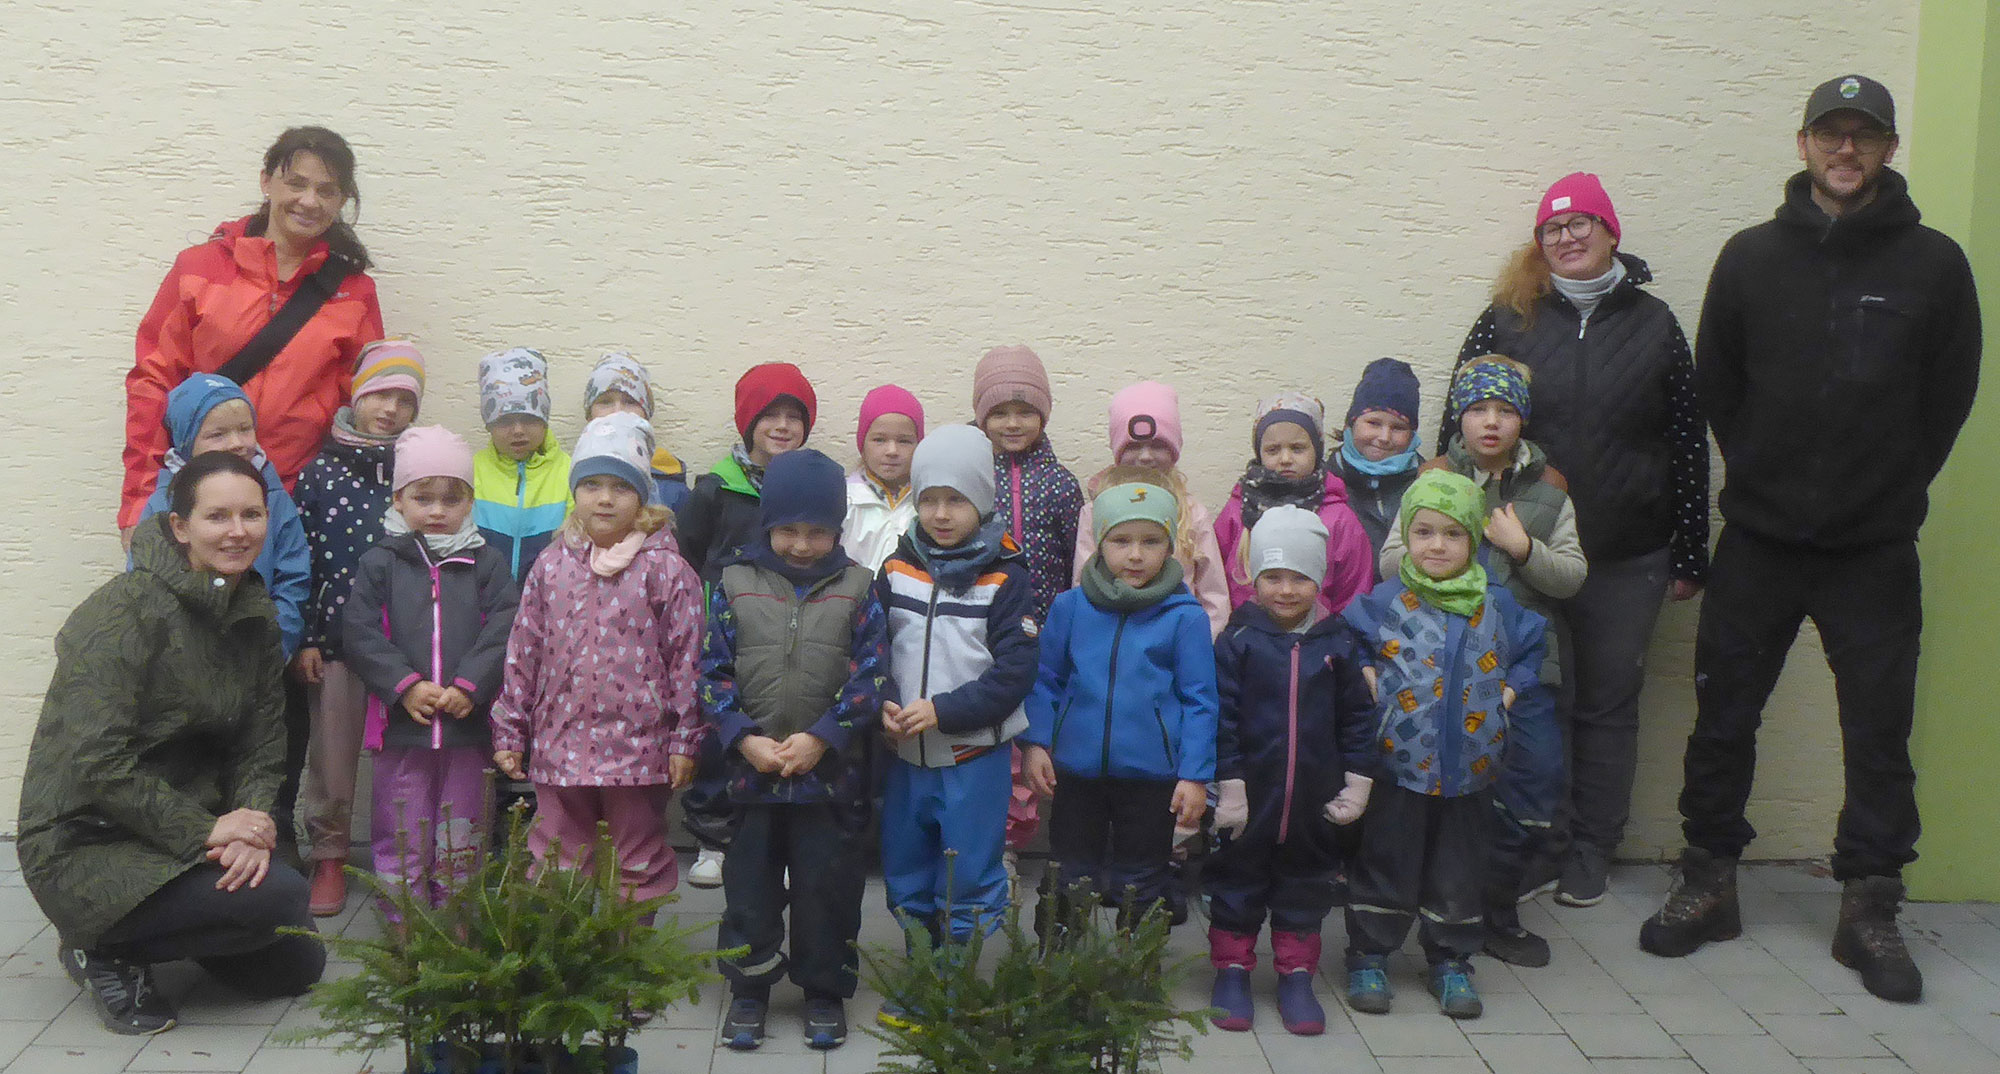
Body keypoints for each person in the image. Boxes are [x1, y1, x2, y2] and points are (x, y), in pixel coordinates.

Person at [1640, 75, 1982, 1004]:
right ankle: (1708, 882)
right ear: (1803, 146)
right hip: (1761, 539)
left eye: (1863, 137)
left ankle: (1868, 905)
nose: (1846, 151)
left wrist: (1893, 484)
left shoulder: (1936, 266)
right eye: (1830, 135)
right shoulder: (1750, 260)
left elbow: (1950, 396)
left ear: (1886, 149)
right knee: (1723, 718)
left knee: (1878, 733)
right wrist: (1761, 471)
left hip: (1874, 550)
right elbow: (1719, 386)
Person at [1445, 170, 1710, 910]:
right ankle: (1541, 844)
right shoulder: (1507, 317)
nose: (1566, 237)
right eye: (1552, 229)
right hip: (1522, 555)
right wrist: (1453, 534)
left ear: (1611, 233)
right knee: (1536, 700)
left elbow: (1688, 440)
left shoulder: (1655, 323)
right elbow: (1458, 429)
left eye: (1581, 223)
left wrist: (1690, 550)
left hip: (1629, 554)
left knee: (1608, 705)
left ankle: (1594, 846)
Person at [21, 452, 325, 1035]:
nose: (237, 531)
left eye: (251, 514)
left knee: (293, 966)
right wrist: (210, 830)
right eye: (217, 517)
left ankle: (160, 926)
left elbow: (263, 740)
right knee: (279, 898)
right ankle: (100, 946)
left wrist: (254, 822)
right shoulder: (121, 614)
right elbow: (95, 764)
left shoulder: (253, 613)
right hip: (87, 838)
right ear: (180, 526)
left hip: (193, 829)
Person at [1383, 356, 1583, 967]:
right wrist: (1448, 545)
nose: (1490, 422)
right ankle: (1438, 912)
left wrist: (1523, 550)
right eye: (1477, 410)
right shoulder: (1435, 474)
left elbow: (1572, 576)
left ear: (1521, 418)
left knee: (1531, 789)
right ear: (1459, 418)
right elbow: (1390, 560)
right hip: (1438, 666)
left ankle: (1500, 907)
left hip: (1523, 667)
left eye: (1504, 410)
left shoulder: (1548, 487)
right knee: (1448, 796)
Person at [1341, 470, 1549, 1021]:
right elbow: (1345, 639)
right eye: (1425, 532)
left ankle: (1451, 959)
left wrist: (1510, 690)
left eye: (1453, 534)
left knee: (1458, 865)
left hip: (1472, 768)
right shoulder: (1385, 601)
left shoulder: (1498, 604)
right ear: (1406, 536)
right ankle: (1368, 954)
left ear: (1476, 539)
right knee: (1386, 857)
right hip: (1396, 766)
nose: (1437, 545)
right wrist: (1364, 673)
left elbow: (1533, 650)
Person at [700, 449, 889, 1052]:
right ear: (767, 526)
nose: (802, 545)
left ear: (838, 530)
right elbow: (710, 673)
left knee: (826, 888)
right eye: (788, 530)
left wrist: (823, 737)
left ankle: (823, 988)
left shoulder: (859, 588)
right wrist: (744, 738)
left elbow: (873, 676)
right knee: (749, 889)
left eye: (817, 532)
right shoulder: (733, 583)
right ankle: (750, 989)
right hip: (752, 775)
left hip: (829, 777)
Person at [121, 126, 383, 539]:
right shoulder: (198, 269)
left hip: (296, 508)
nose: (308, 201)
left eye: (326, 190)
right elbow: (153, 387)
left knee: (285, 605)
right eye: (295, 183)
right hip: (198, 506)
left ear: (342, 200)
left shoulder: (354, 292)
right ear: (266, 182)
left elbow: (362, 409)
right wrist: (140, 502)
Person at [491, 415, 705, 906]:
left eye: (620, 487)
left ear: (642, 497)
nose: (604, 499)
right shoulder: (551, 564)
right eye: (591, 485)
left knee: (637, 860)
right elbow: (524, 650)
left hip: (639, 748)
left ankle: (626, 967)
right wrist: (510, 728)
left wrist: (685, 739)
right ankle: (567, 966)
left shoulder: (666, 569)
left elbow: (687, 660)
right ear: (575, 492)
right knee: (555, 860)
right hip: (560, 742)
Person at [874, 424, 1040, 1026]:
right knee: (906, 869)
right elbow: (871, 647)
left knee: (967, 873)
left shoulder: (1005, 575)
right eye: (929, 499)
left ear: (985, 503)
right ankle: (923, 965)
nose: (941, 514)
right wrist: (884, 699)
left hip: (973, 759)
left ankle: (953, 983)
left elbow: (1014, 673)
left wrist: (943, 711)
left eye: (957, 500)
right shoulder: (896, 566)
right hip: (905, 757)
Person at [1021, 478, 1218, 939]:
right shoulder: (1071, 607)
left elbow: (1200, 699)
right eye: (1121, 540)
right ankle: (1060, 963)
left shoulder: (1185, 617)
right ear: (1099, 543)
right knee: (1071, 870)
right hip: (1076, 771)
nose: (1135, 555)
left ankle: (1137, 971)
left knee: (1143, 874)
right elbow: (1046, 679)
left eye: (1151, 542)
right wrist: (1035, 744)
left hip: (1152, 776)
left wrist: (1194, 775)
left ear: (1170, 545)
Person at [1204, 506, 1376, 1036]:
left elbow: (1358, 719)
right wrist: (1229, 787)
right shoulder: (1237, 642)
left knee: (1305, 886)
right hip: (1249, 802)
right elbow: (1221, 720)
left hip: (1312, 802)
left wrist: (1358, 780)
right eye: (1271, 576)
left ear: (1320, 578)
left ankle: (1296, 975)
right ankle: (1232, 972)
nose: (1284, 589)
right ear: (1252, 577)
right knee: (1237, 884)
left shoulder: (1339, 642)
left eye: (1299, 576)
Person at [342, 426, 519, 914]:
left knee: (461, 827)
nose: (438, 510)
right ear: (399, 500)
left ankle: (455, 921)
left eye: (452, 498)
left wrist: (469, 687)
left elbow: (506, 628)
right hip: (402, 729)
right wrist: (407, 686)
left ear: (469, 501)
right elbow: (360, 632)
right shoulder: (381, 562)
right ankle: (405, 920)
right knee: (402, 825)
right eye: (424, 497)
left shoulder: (487, 562)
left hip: (468, 728)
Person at [293, 340, 426, 915]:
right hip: (338, 643)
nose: (390, 409)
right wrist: (306, 637)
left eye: (405, 400)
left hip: (406, 645)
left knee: (408, 757)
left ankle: (408, 857)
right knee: (333, 755)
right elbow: (302, 561)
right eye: (379, 393)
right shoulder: (321, 471)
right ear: (355, 392)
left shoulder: (421, 469)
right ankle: (329, 858)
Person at [677, 361, 819, 888]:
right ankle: (712, 840)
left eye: (793, 417)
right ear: (747, 422)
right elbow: (687, 555)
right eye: (769, 416)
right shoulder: (717, 488)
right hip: (725, 638)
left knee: (774, 732)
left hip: (786, 638)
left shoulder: (808, 485)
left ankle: (773, 847)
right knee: (720, 738)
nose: (781, 426)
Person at [971, 345, 1084, 869]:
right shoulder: (973, 477)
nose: (1012, 423)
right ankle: (983, 836)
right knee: (987, 729)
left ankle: (1014, 843)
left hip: (1043, 631)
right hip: (982, 626)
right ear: (981, 417)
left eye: (1024, 411)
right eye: (999, 412)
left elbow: (1075, 556)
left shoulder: (1060, 483)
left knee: (1029, 732)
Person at [137, 374, 311, 660]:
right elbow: (147, 582)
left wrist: (274, 645)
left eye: (245, 429)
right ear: (186, 440)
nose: (236, 443)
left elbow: (293, 578)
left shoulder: (276, 499)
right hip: (185, 660)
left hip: (258, 653)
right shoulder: (163, 504)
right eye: (217, 434)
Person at [1072, 381, 1230, 636]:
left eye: (1157, 445)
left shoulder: (1193, 514)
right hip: (1111, 642)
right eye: (1133, 446)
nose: (1145, 456)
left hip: (1176, 643)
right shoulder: (1095, 511)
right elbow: (1083, 582)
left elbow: (1215, 597)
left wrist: (1199, 645)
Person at [1213, 392, 1373, 618]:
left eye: (1297, 448)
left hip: (1315, 641)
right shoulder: (1239, 509)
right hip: (1244, 638)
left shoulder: (1338, 518)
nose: (1285, 458)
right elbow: (1215, 578)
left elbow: (1353, 590)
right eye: (1273, 449)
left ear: (1316, 451)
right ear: (1259, 452)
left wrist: (1337, 641)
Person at [471, 347, 572, 582]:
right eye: (505, 421)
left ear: (544, 421)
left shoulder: (568, 471)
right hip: (484, 598)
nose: (518, 430)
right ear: (489, 424)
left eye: (529, 419)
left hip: (548, 596)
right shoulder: (472, 471)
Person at [1327, 358, 1425, 568]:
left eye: (1398, 428)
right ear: (1351, 423)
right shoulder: (1324, 482)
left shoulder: (1426, 482)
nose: (1384, 437)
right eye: (1373, 423)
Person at [583, 351, 691, 513]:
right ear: (589, 415)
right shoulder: (576, 477)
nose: (617, 412)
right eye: (605, 402)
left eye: (630, 402)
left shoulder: (670, 487)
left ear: (646, 414)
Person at [843, 384, 926, 572]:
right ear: (862, 443)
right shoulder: (844, 500)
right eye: (879, 440)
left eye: (904, 441)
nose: (892, 451)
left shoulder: (926, 501)